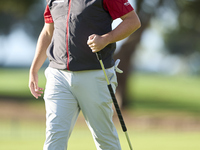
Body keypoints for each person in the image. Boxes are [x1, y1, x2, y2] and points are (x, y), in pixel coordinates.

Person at [29, 0, 141, 149]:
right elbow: (48, 31)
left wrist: (106, 39)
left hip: (95, 73)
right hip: (58, 75)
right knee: (54, 136)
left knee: (104, 137)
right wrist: (34, 69)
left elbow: (133, 21)